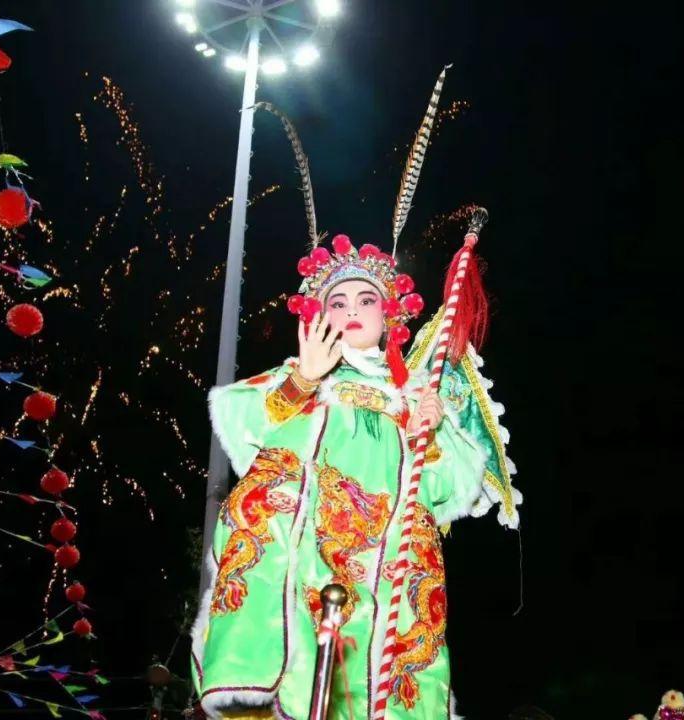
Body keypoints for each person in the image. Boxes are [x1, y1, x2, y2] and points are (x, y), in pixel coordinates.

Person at [191, 68, 520, 720]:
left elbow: (450, 488)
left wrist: (430, 428)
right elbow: (250, 426)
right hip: (310, 549)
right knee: (271, 499)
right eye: (335, 300)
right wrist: (306, 382)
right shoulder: (305, 370)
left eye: (364, 298)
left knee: (383, 661)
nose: (349, 308)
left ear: (390, 316)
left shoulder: (412, 391)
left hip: (386, 560)